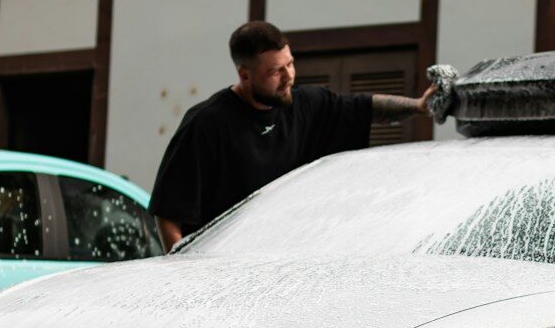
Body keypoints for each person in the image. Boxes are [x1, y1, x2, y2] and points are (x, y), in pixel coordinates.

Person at [150, 21, 432, 249]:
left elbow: (367, 108)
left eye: (290, 64)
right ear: (244, 75)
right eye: (275, 71)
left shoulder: (307, 105)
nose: (288, 77)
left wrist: (419, 106)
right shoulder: (207, 123)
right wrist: (185, 274)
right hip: (220, 266)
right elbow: (168, 215)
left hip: (279, 259)